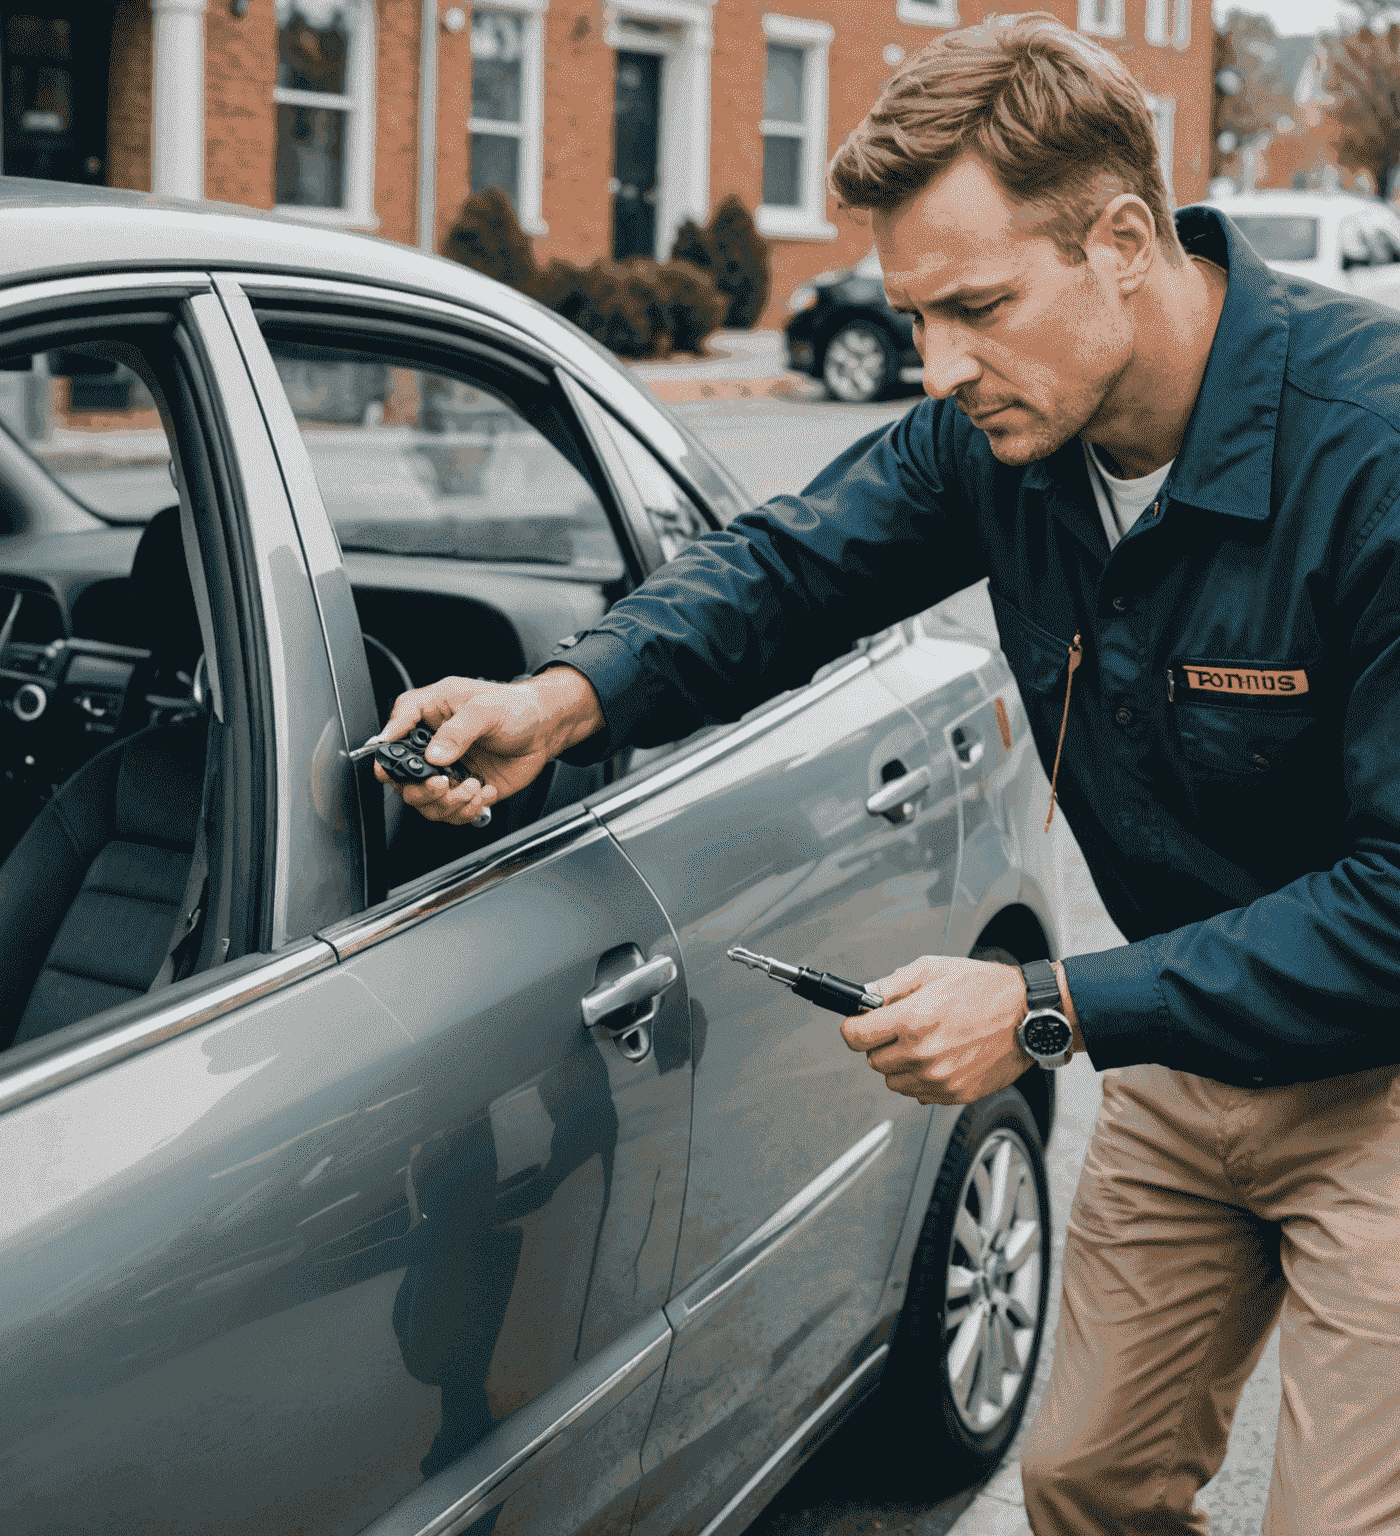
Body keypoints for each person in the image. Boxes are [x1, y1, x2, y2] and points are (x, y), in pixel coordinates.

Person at [372, 12, 1400, 1532]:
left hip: (1378, 1073)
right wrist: (566, 698)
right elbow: (789, 570)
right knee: (1087, 1481)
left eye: (976, 306)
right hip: (1190, 1048)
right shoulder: (1006, 437)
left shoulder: (1368, 455)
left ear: (1123, 238)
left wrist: (1047, 1009)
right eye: (916, 315)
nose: (941, 366)